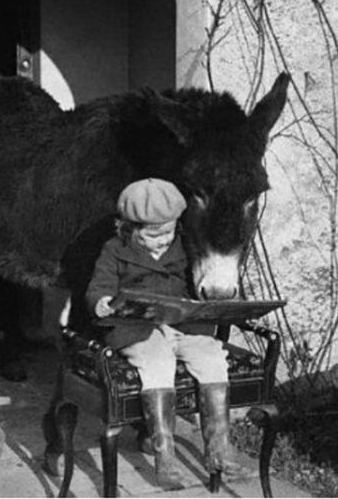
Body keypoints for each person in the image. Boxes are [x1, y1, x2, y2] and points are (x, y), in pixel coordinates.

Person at [85, 178, 241, 488]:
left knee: (212, 355)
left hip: (182, 327)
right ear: (128, 228)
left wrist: (202, 307)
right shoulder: (114, 250)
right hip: (137, 331)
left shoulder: (184, 246)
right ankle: (165, 456)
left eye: (168, 233)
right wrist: (101, 302)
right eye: (152, 235)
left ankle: (220, 449)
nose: (162, 241)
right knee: (157, 362)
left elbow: (195, 283)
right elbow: (99, 287)